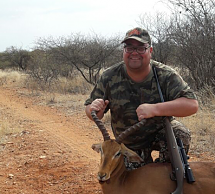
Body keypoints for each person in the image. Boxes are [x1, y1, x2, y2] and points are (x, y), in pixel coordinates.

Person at [85, 27, 198, 167]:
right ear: (123, 51)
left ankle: (166, 173)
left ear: (150, 51)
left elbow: (192, 105)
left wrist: (155, 109)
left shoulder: (165, 74)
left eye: (140, 48)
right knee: (128, 184)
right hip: (128, 143)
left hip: (160, 134)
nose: (134, 53)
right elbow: (90, 109)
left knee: (181, 133)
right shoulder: (109, 76)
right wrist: (95, 110)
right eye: (129, 48)